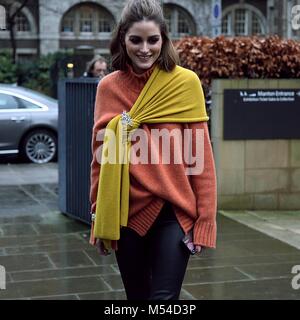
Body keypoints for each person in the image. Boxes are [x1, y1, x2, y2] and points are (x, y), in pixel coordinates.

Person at [89, 0, 217, 300]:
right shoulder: (108, 87)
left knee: (164, 300)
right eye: (136, 40)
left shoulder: (186, 84)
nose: (144, 48)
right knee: (137, 298)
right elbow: (100, 159)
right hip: (124, 212)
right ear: (123, 39)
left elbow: (202, 161)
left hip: (173, 212)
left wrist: (205, 220)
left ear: (164, 40)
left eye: (152, 40)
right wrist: (98, 217)